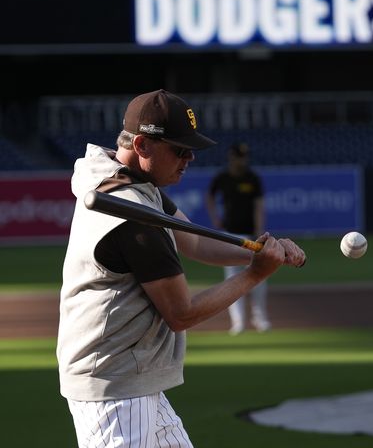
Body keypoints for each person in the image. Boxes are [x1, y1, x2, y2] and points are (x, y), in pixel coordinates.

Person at [56, 89, 305, 448]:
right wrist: (255, 274)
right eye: (179, 149)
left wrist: (261, 254)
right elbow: (181, 313)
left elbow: (198, 244)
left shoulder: (134, 184)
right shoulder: (131, 215)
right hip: (115, 386)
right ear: (142, 145)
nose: (189, 158)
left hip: (133, 377)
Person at [206, 141, 270, 335]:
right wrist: (215, 218)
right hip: (230, 234)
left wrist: (259, 231)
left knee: (259, 276)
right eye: (240, 156)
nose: (243, 160)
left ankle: (260, 319)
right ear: (232, 157)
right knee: (232, 279)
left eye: (245, 156)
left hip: (251, 235)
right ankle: (239, 322)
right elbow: (209, 196)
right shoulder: (222, 178)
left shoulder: (252, 178)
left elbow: (259, 205)